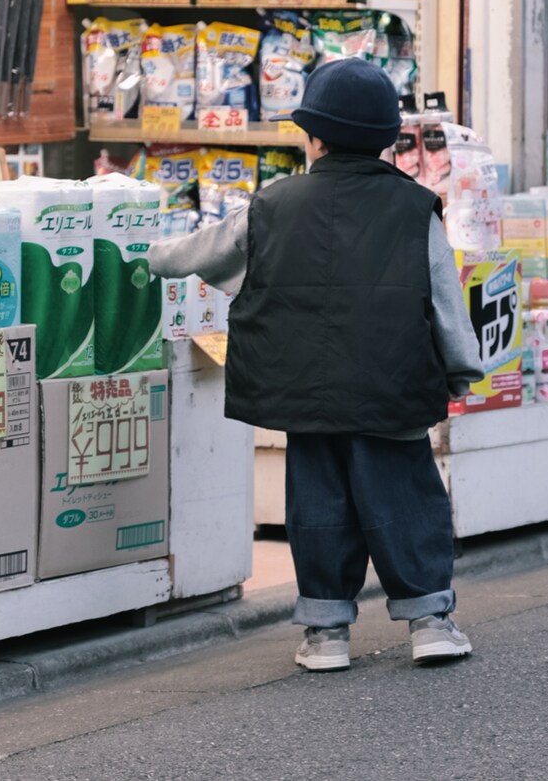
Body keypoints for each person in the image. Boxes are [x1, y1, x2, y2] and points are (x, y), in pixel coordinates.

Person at [147, 58, 483, 672]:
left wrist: (143, 255)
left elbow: (199, 253)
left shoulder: (272, 205)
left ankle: (326, 634)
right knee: (406, 498)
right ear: (388, 139)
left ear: (315, 138)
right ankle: (429, 621)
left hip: (304, 390)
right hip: (395, 386)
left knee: (319, 506)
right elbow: (443, 299)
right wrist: (460, 367)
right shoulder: (415, 209)